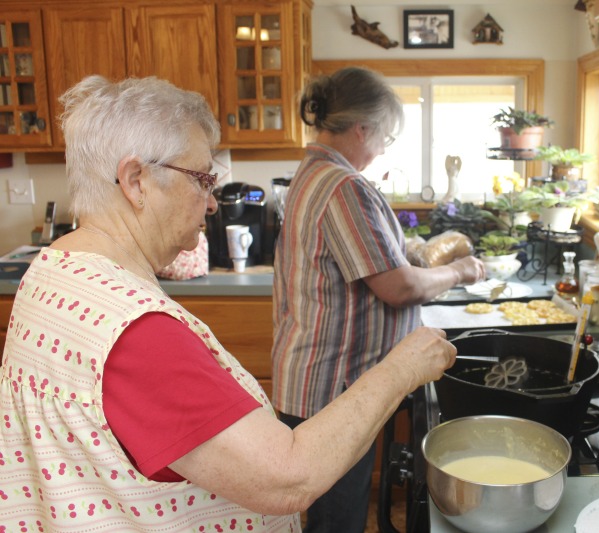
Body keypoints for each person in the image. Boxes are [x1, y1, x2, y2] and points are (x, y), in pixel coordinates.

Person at [0, 75, 458, 532]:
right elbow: (287, 478)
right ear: (136, 181)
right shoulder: (135, 333)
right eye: (202, 179)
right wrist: (403, 367)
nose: (213, 203)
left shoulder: (49, 272)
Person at [271, 66, 485, 533]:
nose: (383, 149)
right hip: (333, 387)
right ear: (362, 128)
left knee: (331, 513)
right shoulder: (344, 187)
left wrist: (412, 251)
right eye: (385, 137)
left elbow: (367, 259)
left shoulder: (314, 173)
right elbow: (399, 287)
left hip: (315, 380)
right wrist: (460, 270)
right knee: (338, 520)